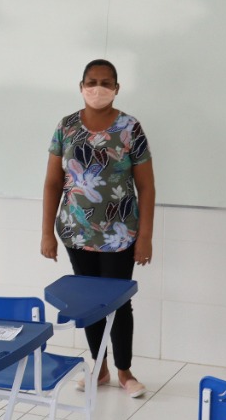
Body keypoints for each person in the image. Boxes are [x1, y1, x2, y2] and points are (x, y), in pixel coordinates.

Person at [40, 59, 155, 398]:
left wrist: (145, 237)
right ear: (81, 85)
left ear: (116, 88)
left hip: (121, 235)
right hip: (76, 233)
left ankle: (125, 371)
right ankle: (99, 368)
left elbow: (146, 186)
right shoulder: (66, 127)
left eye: (106, 82)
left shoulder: (130, 128)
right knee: (88, 303)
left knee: (119, 302)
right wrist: (47, 232)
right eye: (92, 81)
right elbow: (51, 183)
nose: (98, 88)